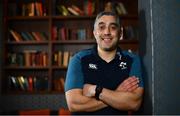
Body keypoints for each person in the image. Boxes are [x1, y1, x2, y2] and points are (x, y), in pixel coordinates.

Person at [65, 11, 144, 115]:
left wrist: (96, 90)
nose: (107, 32)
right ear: (95, 33)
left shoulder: (133, 60)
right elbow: (74, 104)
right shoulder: (78, 59)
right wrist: (117, 94)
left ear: (120, 33)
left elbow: (134, 103)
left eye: (113, 27)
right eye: (101, 27)